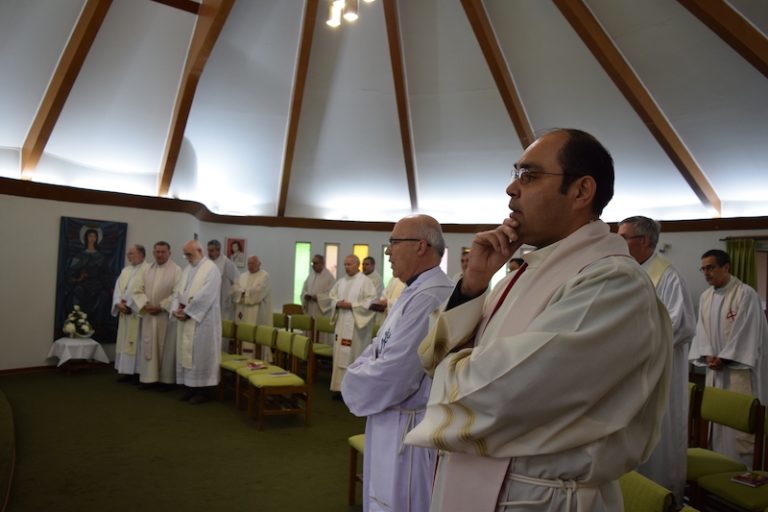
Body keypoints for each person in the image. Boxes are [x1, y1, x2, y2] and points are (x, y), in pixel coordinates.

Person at [404, 128, 672, 512]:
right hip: (486, 479)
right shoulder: (521, 273)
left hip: (537, 497)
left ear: (581, 191)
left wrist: (449, 367)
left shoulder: (611, 282)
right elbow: (439, 360)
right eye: (515, 175)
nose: (511, 190)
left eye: (528, 176)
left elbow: (505, 392)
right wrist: (475, 284)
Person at [342, 214, 454, 512]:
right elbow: (379, 346)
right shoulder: (413, 291)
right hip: (390, 417)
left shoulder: (431, 296)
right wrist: (359, 371)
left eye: (393, 242)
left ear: (420, 246)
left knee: (401, 501)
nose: (388, 251)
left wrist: (351, 380)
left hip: (408, 426)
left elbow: (397, 371)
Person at [618, 215, 695, 504]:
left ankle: (662, 498)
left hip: (658, 372)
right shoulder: (626, 273)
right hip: (629, 374)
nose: (619, 242)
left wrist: (633, 346)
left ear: (645, 241)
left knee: (658, 439)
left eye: (624, 237)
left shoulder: (668, 276)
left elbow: (681, 324)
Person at [689, 249, 768, 466]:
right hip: (715, 371)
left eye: (711, 267)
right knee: (717, 423)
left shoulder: (745, 293)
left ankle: (747, 469)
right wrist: (707, 355)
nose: (706, 273)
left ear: (726, 267)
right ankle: (719, 466)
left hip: (738, 370)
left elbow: (747, 330)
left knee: (740, 424)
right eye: (703, 269)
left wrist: (724, 358)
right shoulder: (706, 297)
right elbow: (701, 330)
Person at [172, 240, 222, 404]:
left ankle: (204, 391)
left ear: (200, 251)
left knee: (201, 356)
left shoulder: (211, 269)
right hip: (186, 318)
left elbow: (206, 295)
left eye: (189, 254)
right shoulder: (187, 270)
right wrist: (176, 309)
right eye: (185, 254)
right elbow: (178, 292)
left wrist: (188, 312)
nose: (187, 258)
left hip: (203, 322)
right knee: (188, 356)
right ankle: (190, 387)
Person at [132, 241, 182, 390]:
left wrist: (161, 306)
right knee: (149, 346)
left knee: (166, 347)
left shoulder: (177, 270)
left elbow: (177, 293)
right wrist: (146, 305)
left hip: (165, 317)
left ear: (169, 253)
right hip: (149, 315)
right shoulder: (146, 269)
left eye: (163, 252)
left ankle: (165, 381)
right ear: (153, 253)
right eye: (157, 252)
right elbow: (136, 289)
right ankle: (149, 379)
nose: (160, 255)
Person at [328, 254, 377, 394]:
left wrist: (352, 305)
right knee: (339, 357)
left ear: (357, 265)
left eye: (349, 264)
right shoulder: (341, 282)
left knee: (354, 357)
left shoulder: (365, 281)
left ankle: (353, 391)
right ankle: (338, 388)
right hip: (342, 326)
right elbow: (331, 297)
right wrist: (337, 303)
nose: (346, 267)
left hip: (356, 329)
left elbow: (371, 302)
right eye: (345, 264)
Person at [112, 244, 149, 383]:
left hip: (137, 314)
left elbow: (146, 292)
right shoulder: (126, 270)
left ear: (141, 255)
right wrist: (118, 303)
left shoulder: (148, 270)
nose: (129, 256)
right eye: (129, 254)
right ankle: (127, 372)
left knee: (136, 344)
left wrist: (130, 306)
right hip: (124, 313)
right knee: (124, 342)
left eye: (132, 253)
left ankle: (137, 373)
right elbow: (118, 289)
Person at [231, 255, 273, 361]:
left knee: (255, 337)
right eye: (249, 263)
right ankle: (241, 359)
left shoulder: (264, 276)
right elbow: (234, 289)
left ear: (259, 264)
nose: (250, 266)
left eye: (253, 263)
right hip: (242, 313)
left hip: (257, 314)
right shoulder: (242, 276)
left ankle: (258, 359)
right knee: (243, 336)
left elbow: (258, 291)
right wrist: (242, 291)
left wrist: (244, 292)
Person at [301, 254, 336, 333]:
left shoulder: (329, 278)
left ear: (322, 264)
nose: (313, 265)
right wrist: (305, 295)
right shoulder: (311, 275)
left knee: (320, 335)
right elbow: (303, 290)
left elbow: (332, 295)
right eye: (312, 263)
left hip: (321, 311)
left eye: (315, 263)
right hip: (310, 309)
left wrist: (318, 297)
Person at [207, 239, 239, 324]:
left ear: (218, 250)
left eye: (211, 250)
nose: (209, 253)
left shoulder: (227, 263)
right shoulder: (206, 262)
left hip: (223, 300)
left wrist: (231, 294)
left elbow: (237, 280)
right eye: (208, 250)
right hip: (208, 299)